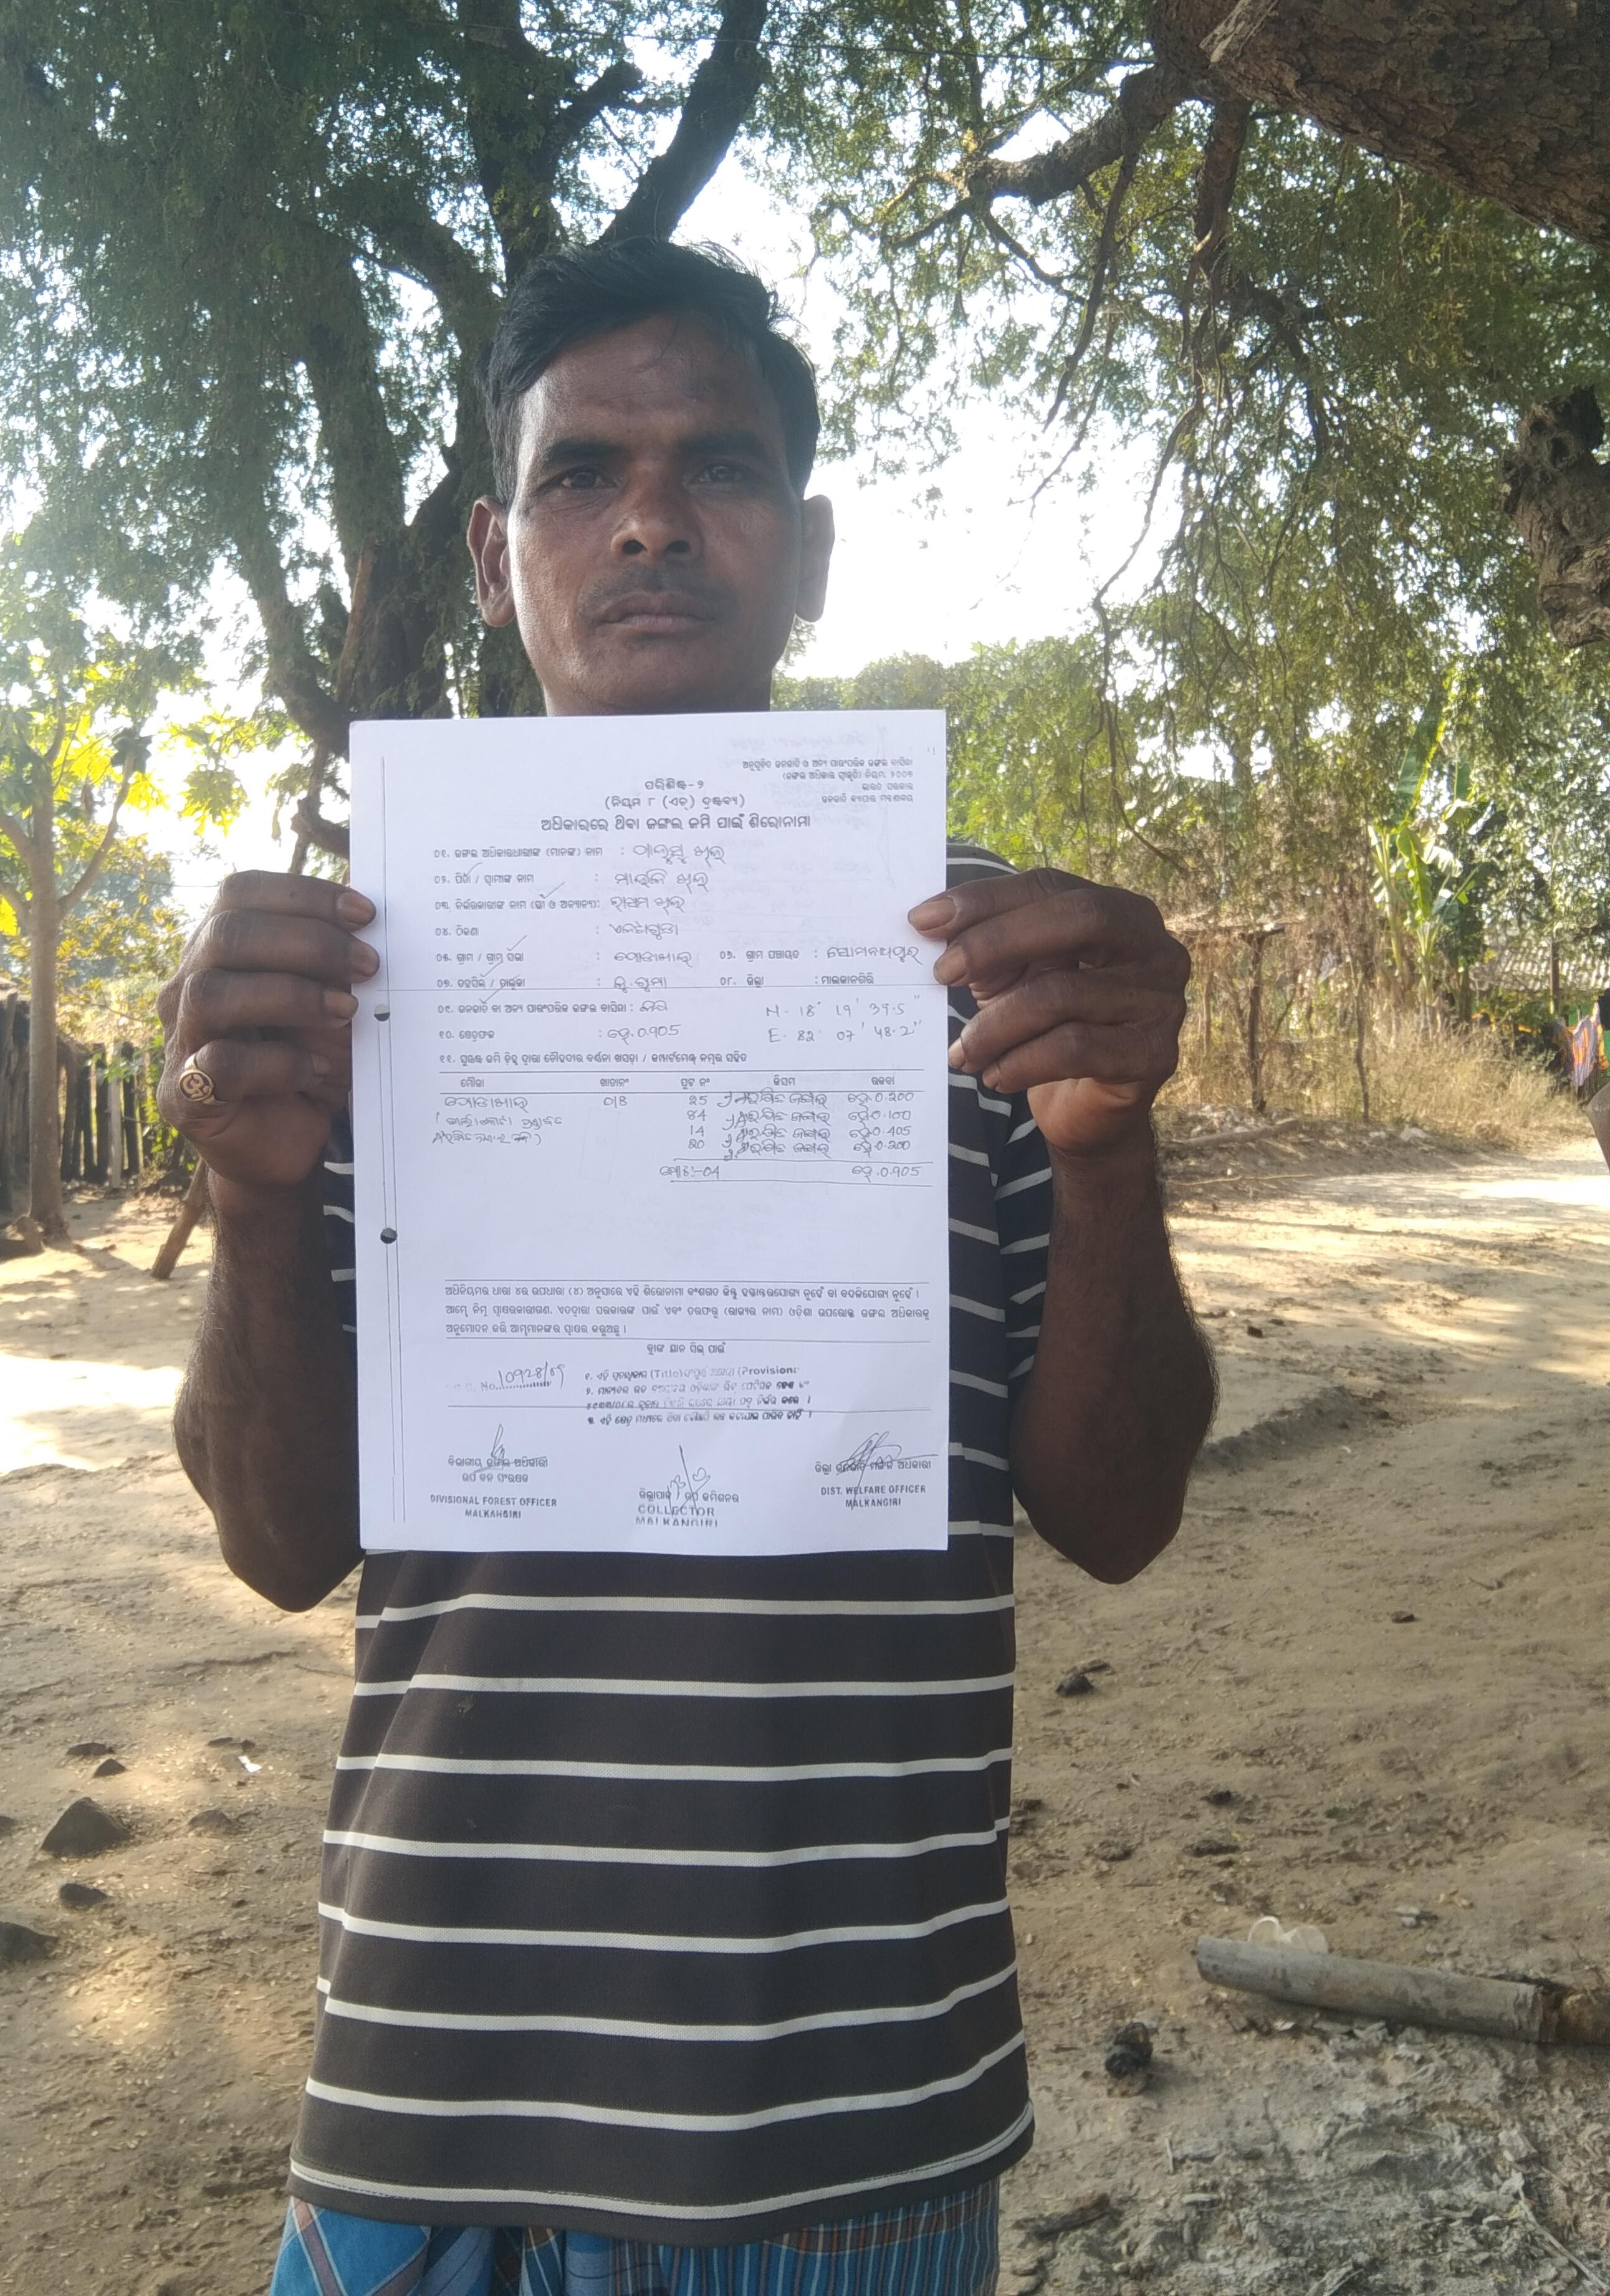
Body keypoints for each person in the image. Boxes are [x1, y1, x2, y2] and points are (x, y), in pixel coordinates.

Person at [158, 239, 1216, 2296]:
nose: (648, 519)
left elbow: (1119, 1514)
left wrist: (1107, 1155)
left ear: (805, 555)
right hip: (429, 2076)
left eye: (717, 466)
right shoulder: (354, 976)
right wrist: (266, 1201)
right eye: (582, 473)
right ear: (496, 559)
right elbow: (281, 1549)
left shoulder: (1003, 975)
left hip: (847, 2106)